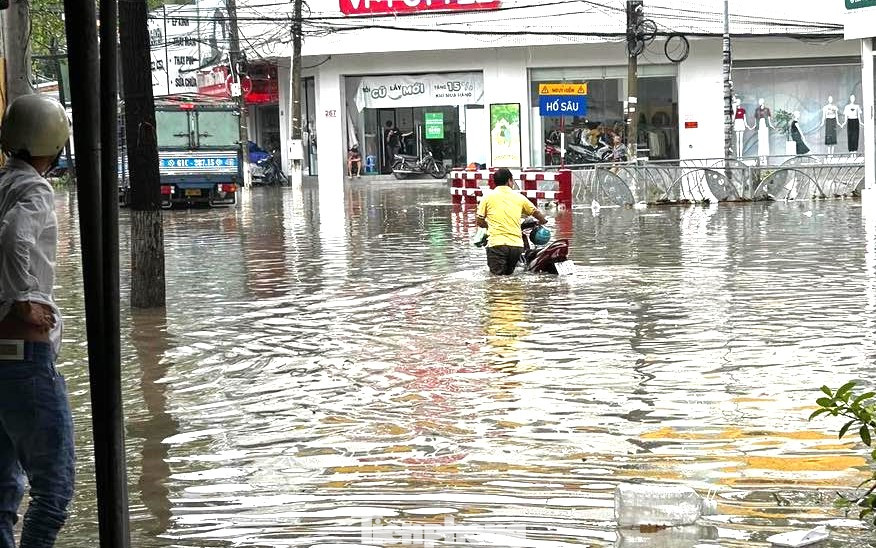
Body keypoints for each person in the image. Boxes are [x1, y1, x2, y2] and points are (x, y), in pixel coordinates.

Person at [0, 94, 75, 548]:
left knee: (3, 493)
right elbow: (13, 238)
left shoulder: (2, 183)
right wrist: (22, 299)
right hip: (25, 358)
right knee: (54, 490)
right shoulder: (36, 189)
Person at [476, 168, 548, 276]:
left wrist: (490, 226)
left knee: (497, 281)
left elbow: (479, 221)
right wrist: (543, 221)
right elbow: (535, 212)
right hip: (516, 247)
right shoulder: (519, 197)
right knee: (509, 277)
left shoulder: (487, 197)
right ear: (509, 181)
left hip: (496, 245)